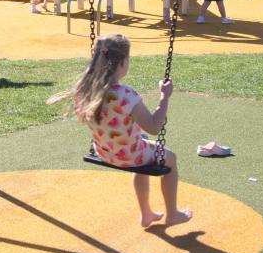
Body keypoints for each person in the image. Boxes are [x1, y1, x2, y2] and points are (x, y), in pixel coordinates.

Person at [59, 35, 190, 229]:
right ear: (122, 63)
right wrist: (164, 97)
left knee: (143, 143)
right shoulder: (125, 94)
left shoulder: (84, 90)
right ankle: (172, 214)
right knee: (170, 157)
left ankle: (146, 213)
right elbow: (154, 127)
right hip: (129, 155)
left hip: (104, 152)